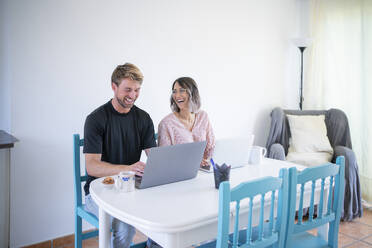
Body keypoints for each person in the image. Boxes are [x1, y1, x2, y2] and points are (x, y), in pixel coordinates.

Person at [83, 63, 157, 248]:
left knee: (164, 212)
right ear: (113, 86)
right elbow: (91, 166)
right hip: (98, 192)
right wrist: (128, 168)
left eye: (137, 90)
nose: (133, 95)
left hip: (132, 190)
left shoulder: (144, 118)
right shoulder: (96, 119)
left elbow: (155, 157)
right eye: (127, 89)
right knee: (125, 227)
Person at [158, 77, 215, 167]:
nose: (177, 95)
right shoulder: (166, 124)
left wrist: (207, 161)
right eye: (174, 91)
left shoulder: (203, 116)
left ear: (192, 93)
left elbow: (211, 148)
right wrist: (194, 162)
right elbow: (164, 160)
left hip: (203, 172)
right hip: (179, 175)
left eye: (181, 90)